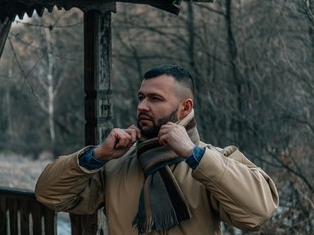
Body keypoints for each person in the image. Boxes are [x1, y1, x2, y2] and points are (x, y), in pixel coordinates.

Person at [35, 64, 279, 235]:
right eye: (141, 97)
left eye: (155, 99)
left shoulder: (213, 160)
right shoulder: (115, 164)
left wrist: (194, 155)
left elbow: (258, 213)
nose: (142, 106)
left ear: (185, 108)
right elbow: (49, 195)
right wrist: (97, 156)